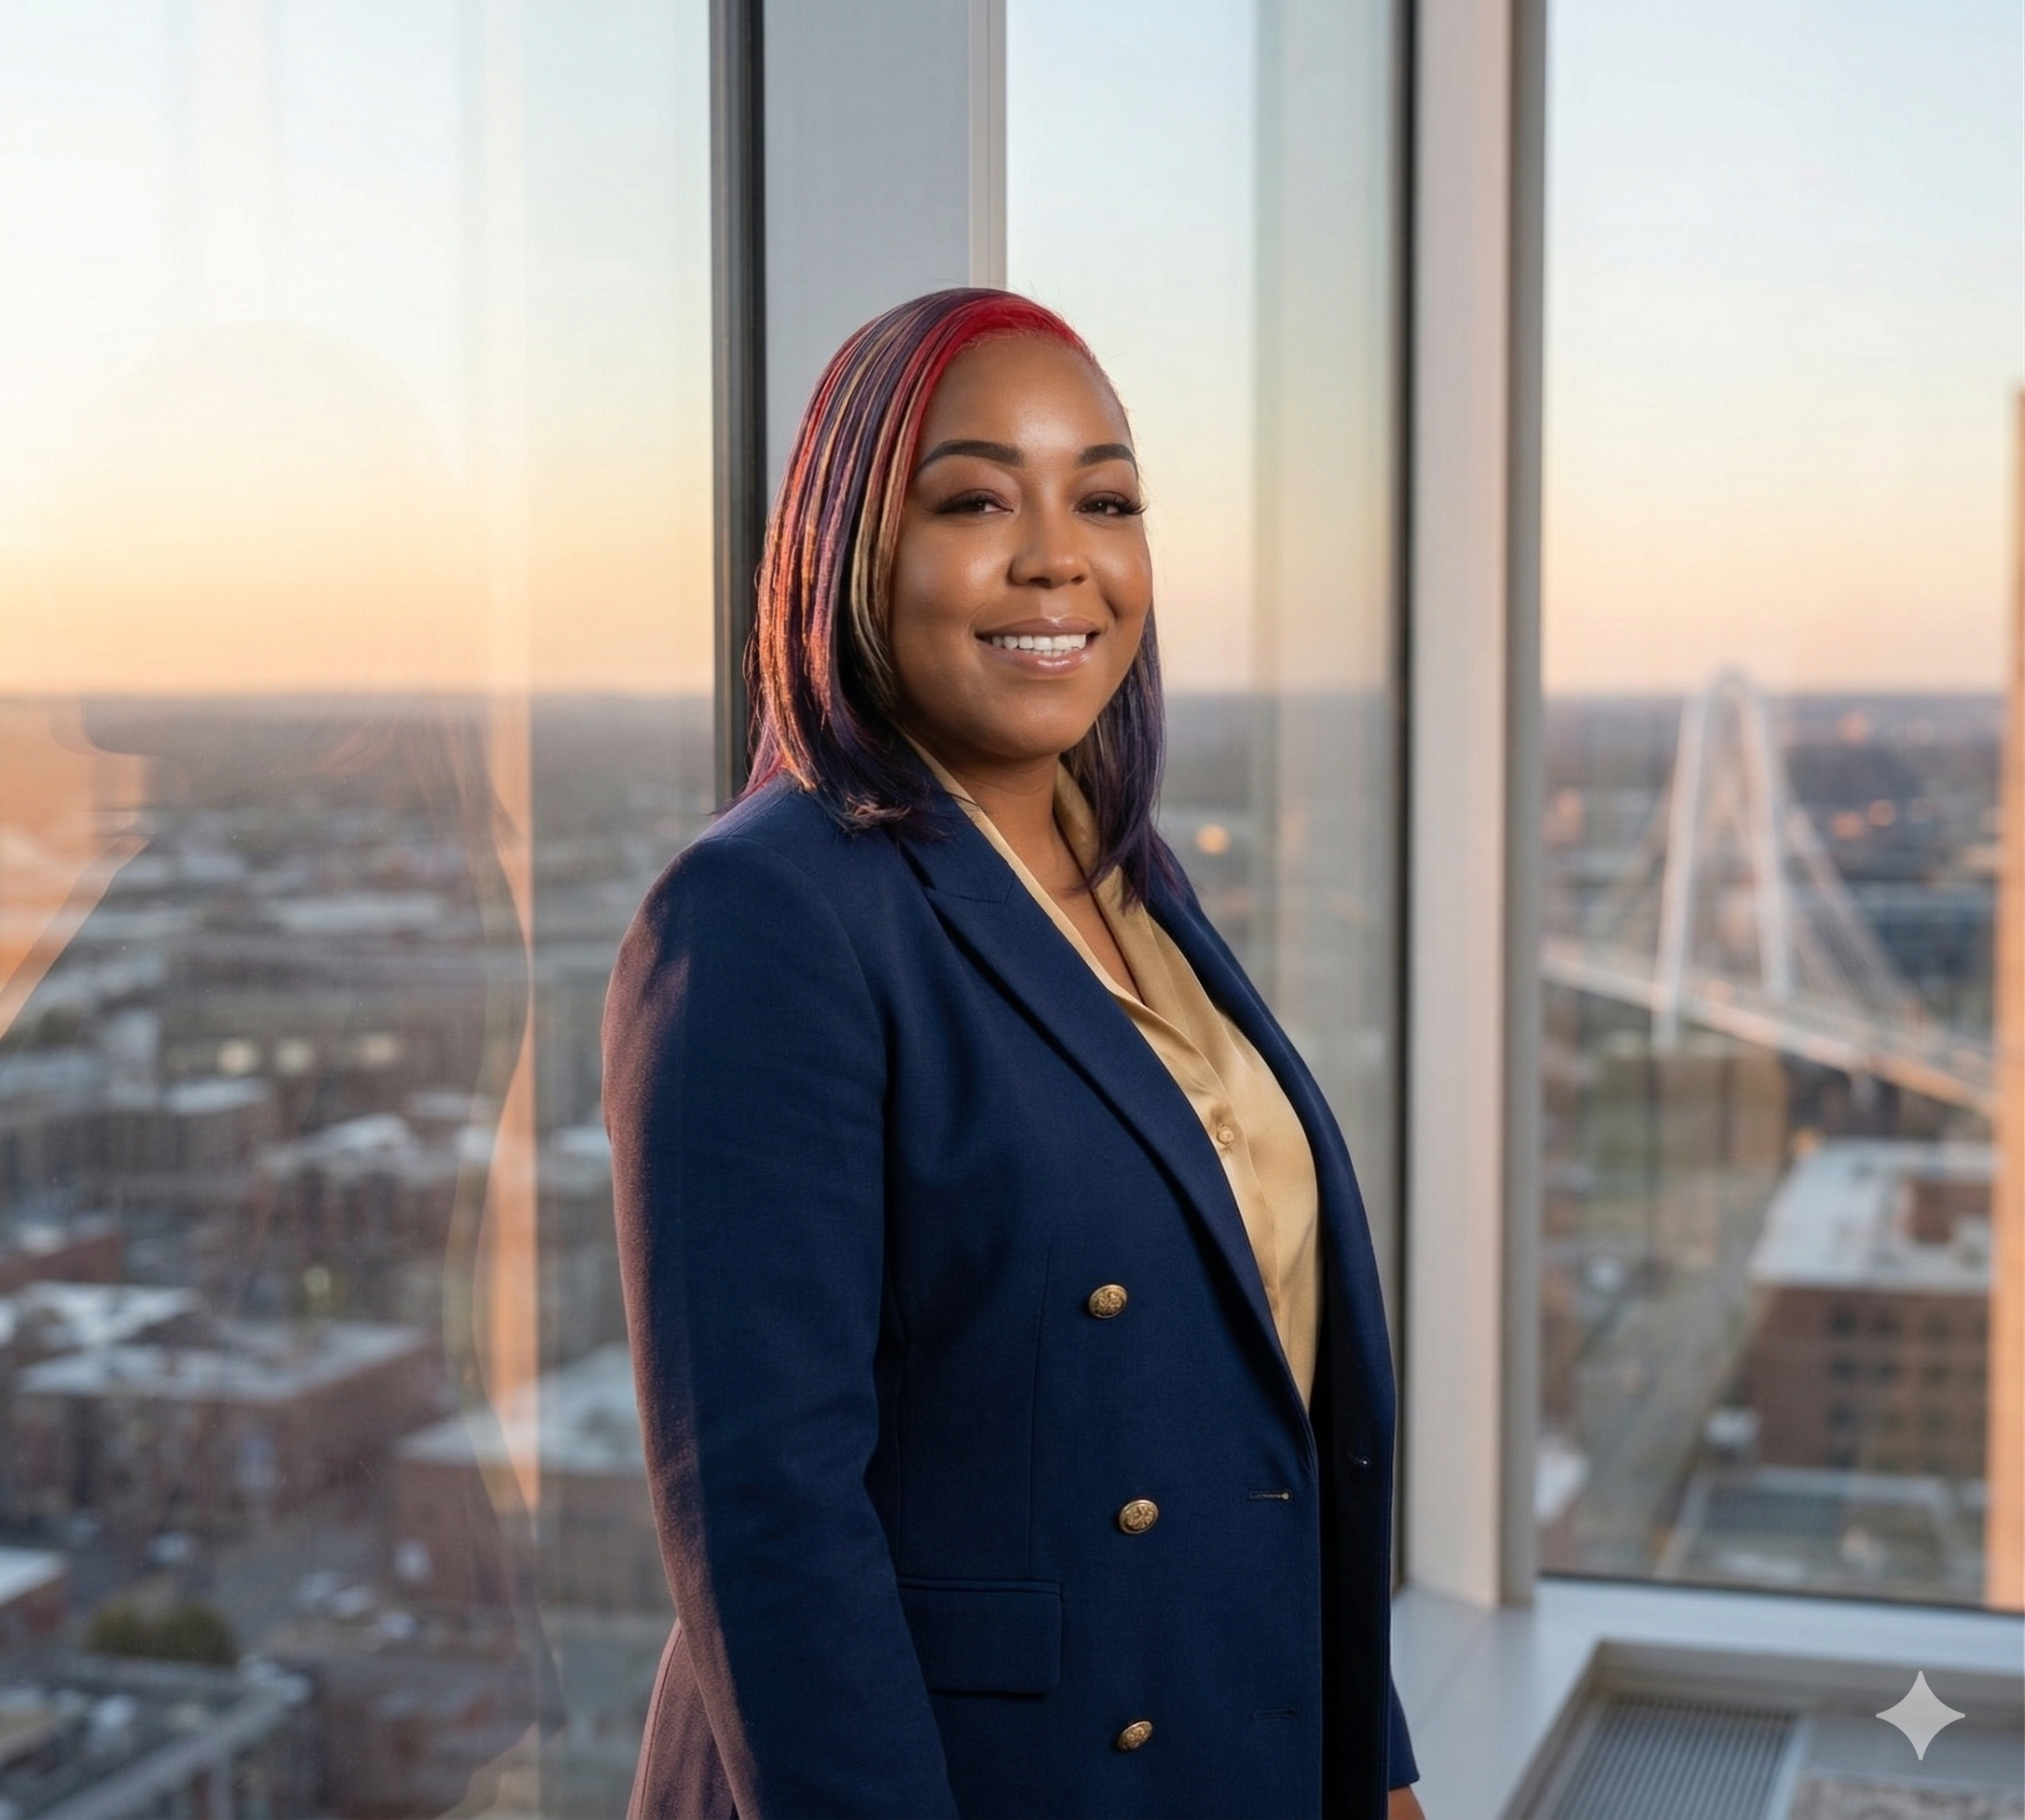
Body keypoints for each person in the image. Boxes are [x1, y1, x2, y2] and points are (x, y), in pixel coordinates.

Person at [605, 289, 1424, 1819]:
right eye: (975, 498)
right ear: (850, 545)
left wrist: (1364, 1764)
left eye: (1104, 499)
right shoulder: (761, 913)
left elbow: (1249, 1412)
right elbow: (768, 1523)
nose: (1059, 555)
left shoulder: (1131, 887)